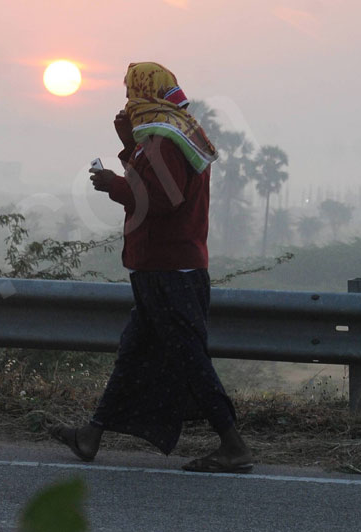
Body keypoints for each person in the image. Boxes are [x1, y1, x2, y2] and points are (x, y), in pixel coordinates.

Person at [49, 62, 253, 473]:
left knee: (189, 358)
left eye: (130, 89)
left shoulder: (163, 138)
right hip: (165, 268)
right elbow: (155, 179)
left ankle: (234, 446)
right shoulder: (169, 132)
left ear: (144, 92)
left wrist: (113, 186)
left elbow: (161, 200)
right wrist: (127, 143)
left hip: (168, 270)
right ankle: (91, 436)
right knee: (133, 352)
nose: (127, 98)